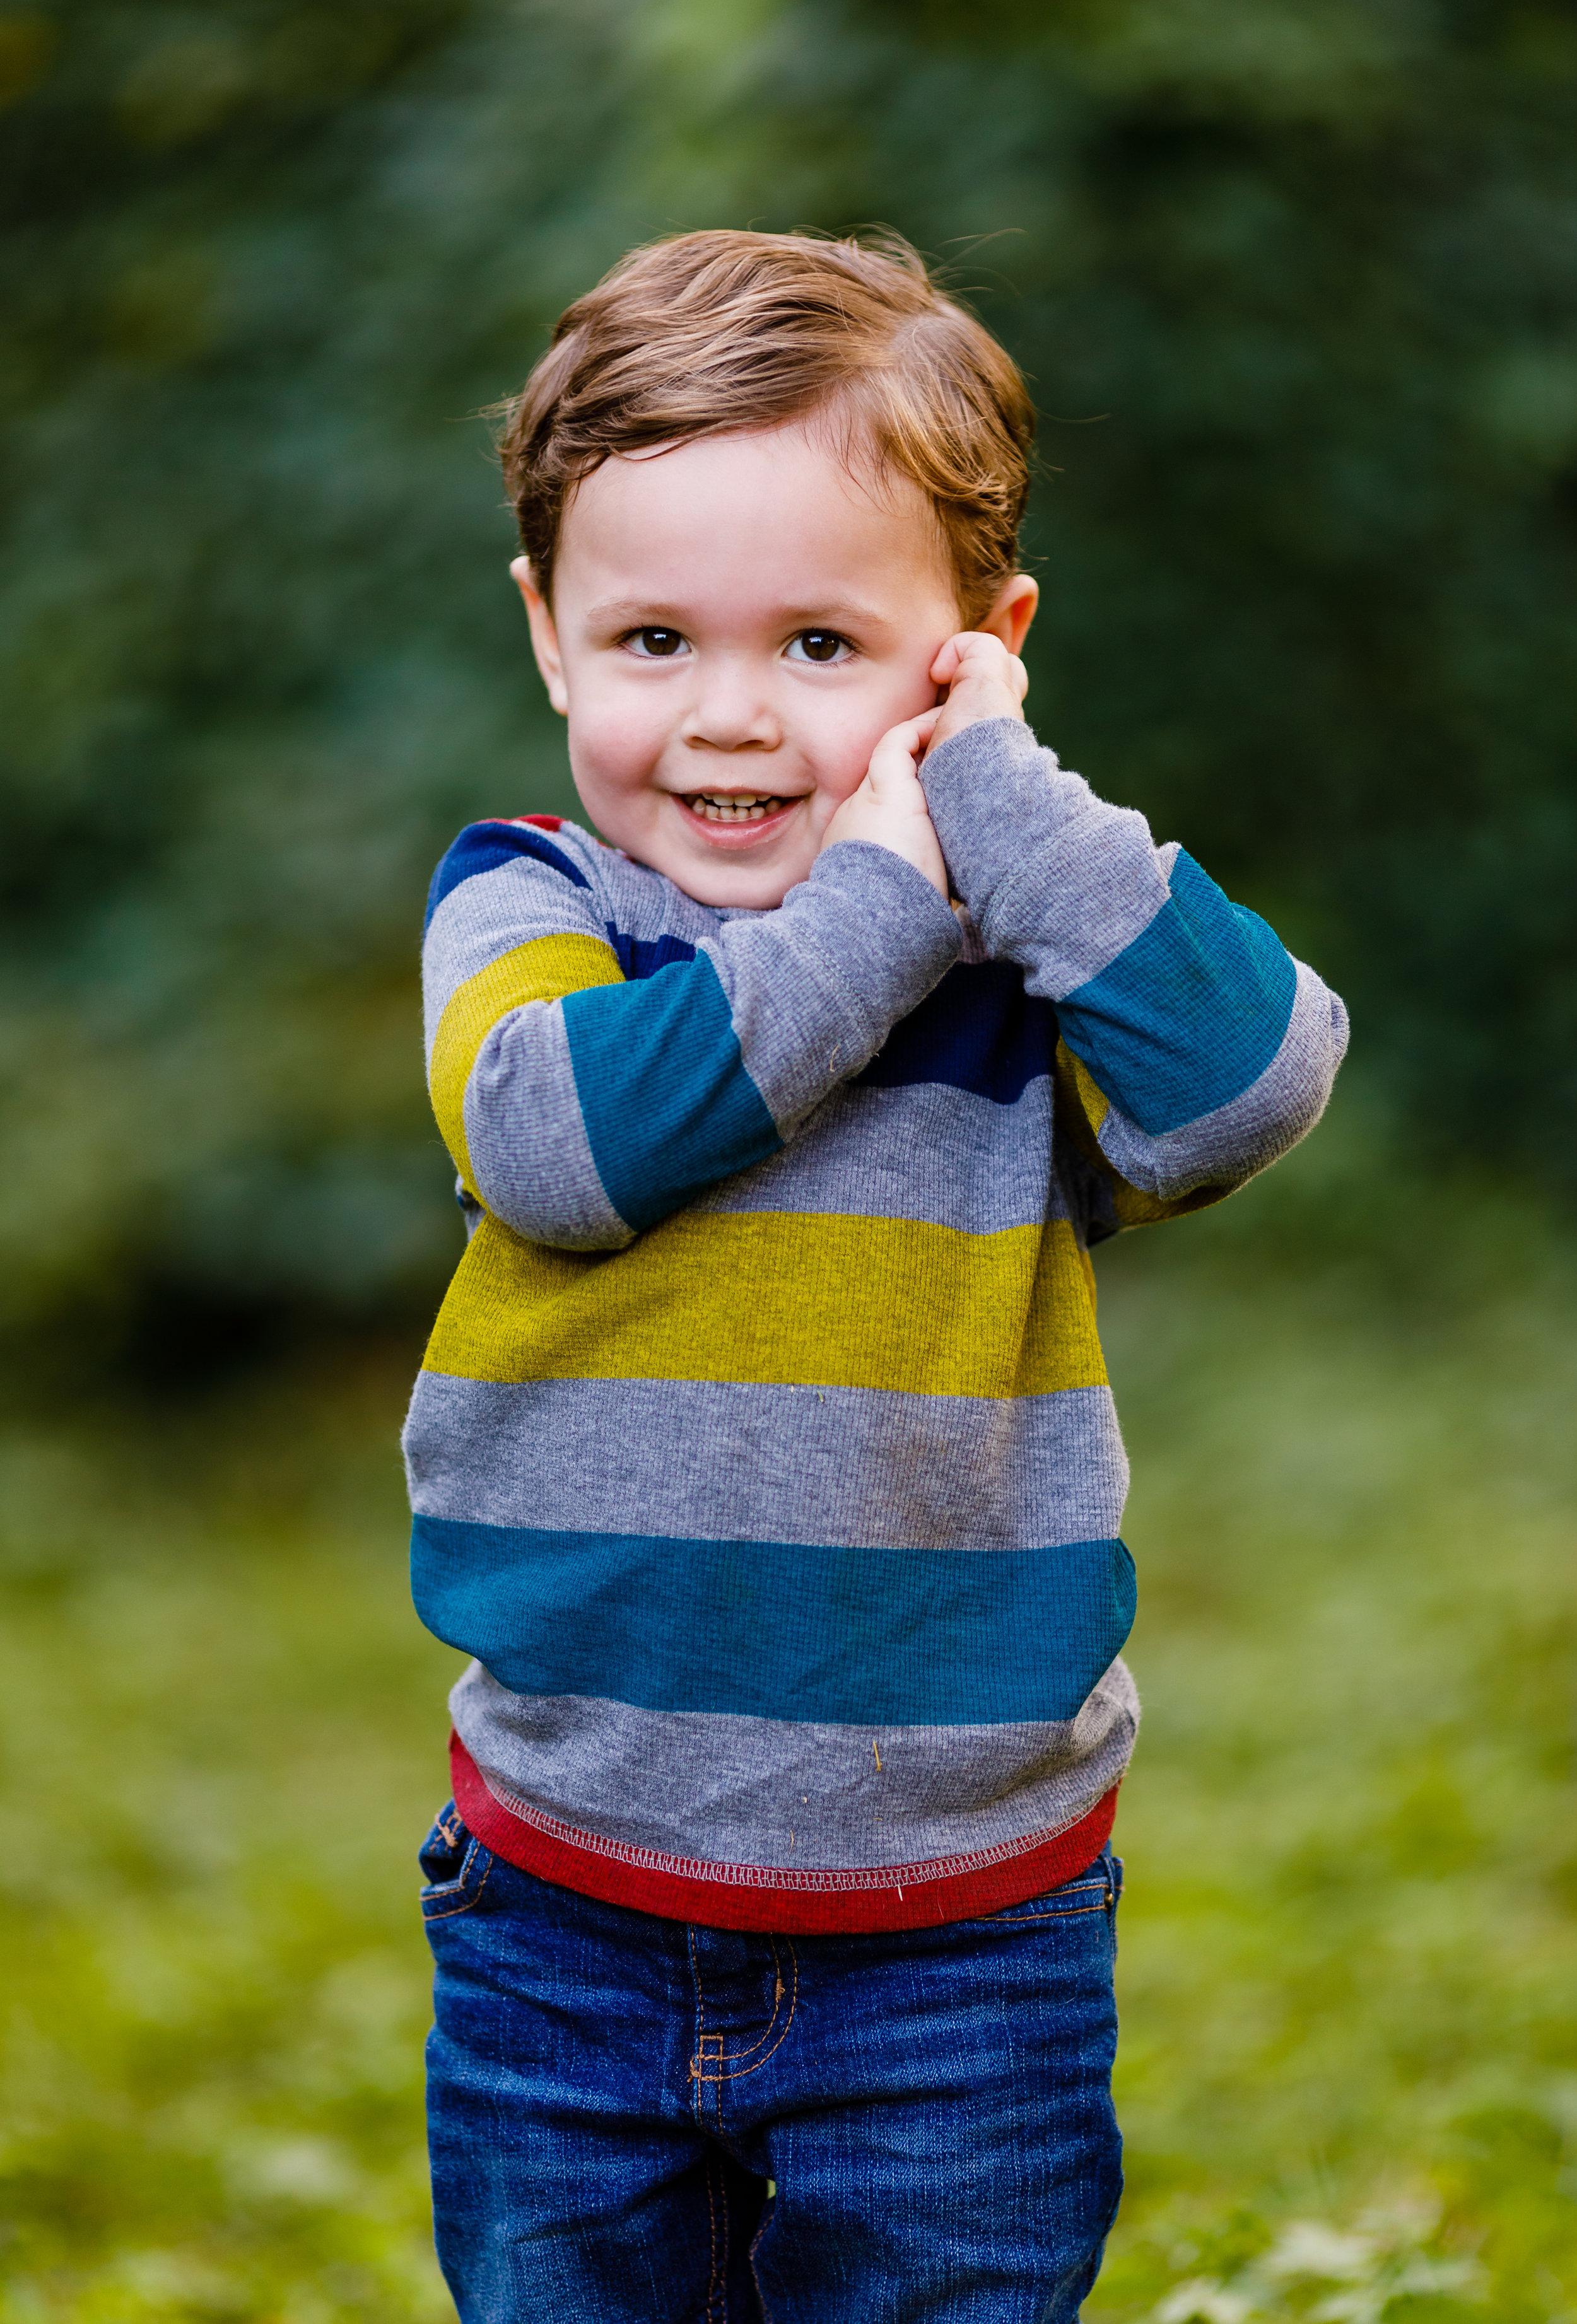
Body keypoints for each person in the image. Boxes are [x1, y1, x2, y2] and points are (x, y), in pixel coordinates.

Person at [406, 228, 1347, 2323]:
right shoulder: (530, 910)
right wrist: (882, 897)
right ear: (549, 635)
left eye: (822, 647)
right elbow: (564, 1147)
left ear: (971, 650)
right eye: (651, 638)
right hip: (567, 1909)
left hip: (963, 1944)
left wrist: (995, 804)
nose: (726, 717)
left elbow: (1249, 1084)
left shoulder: (1031, 967)